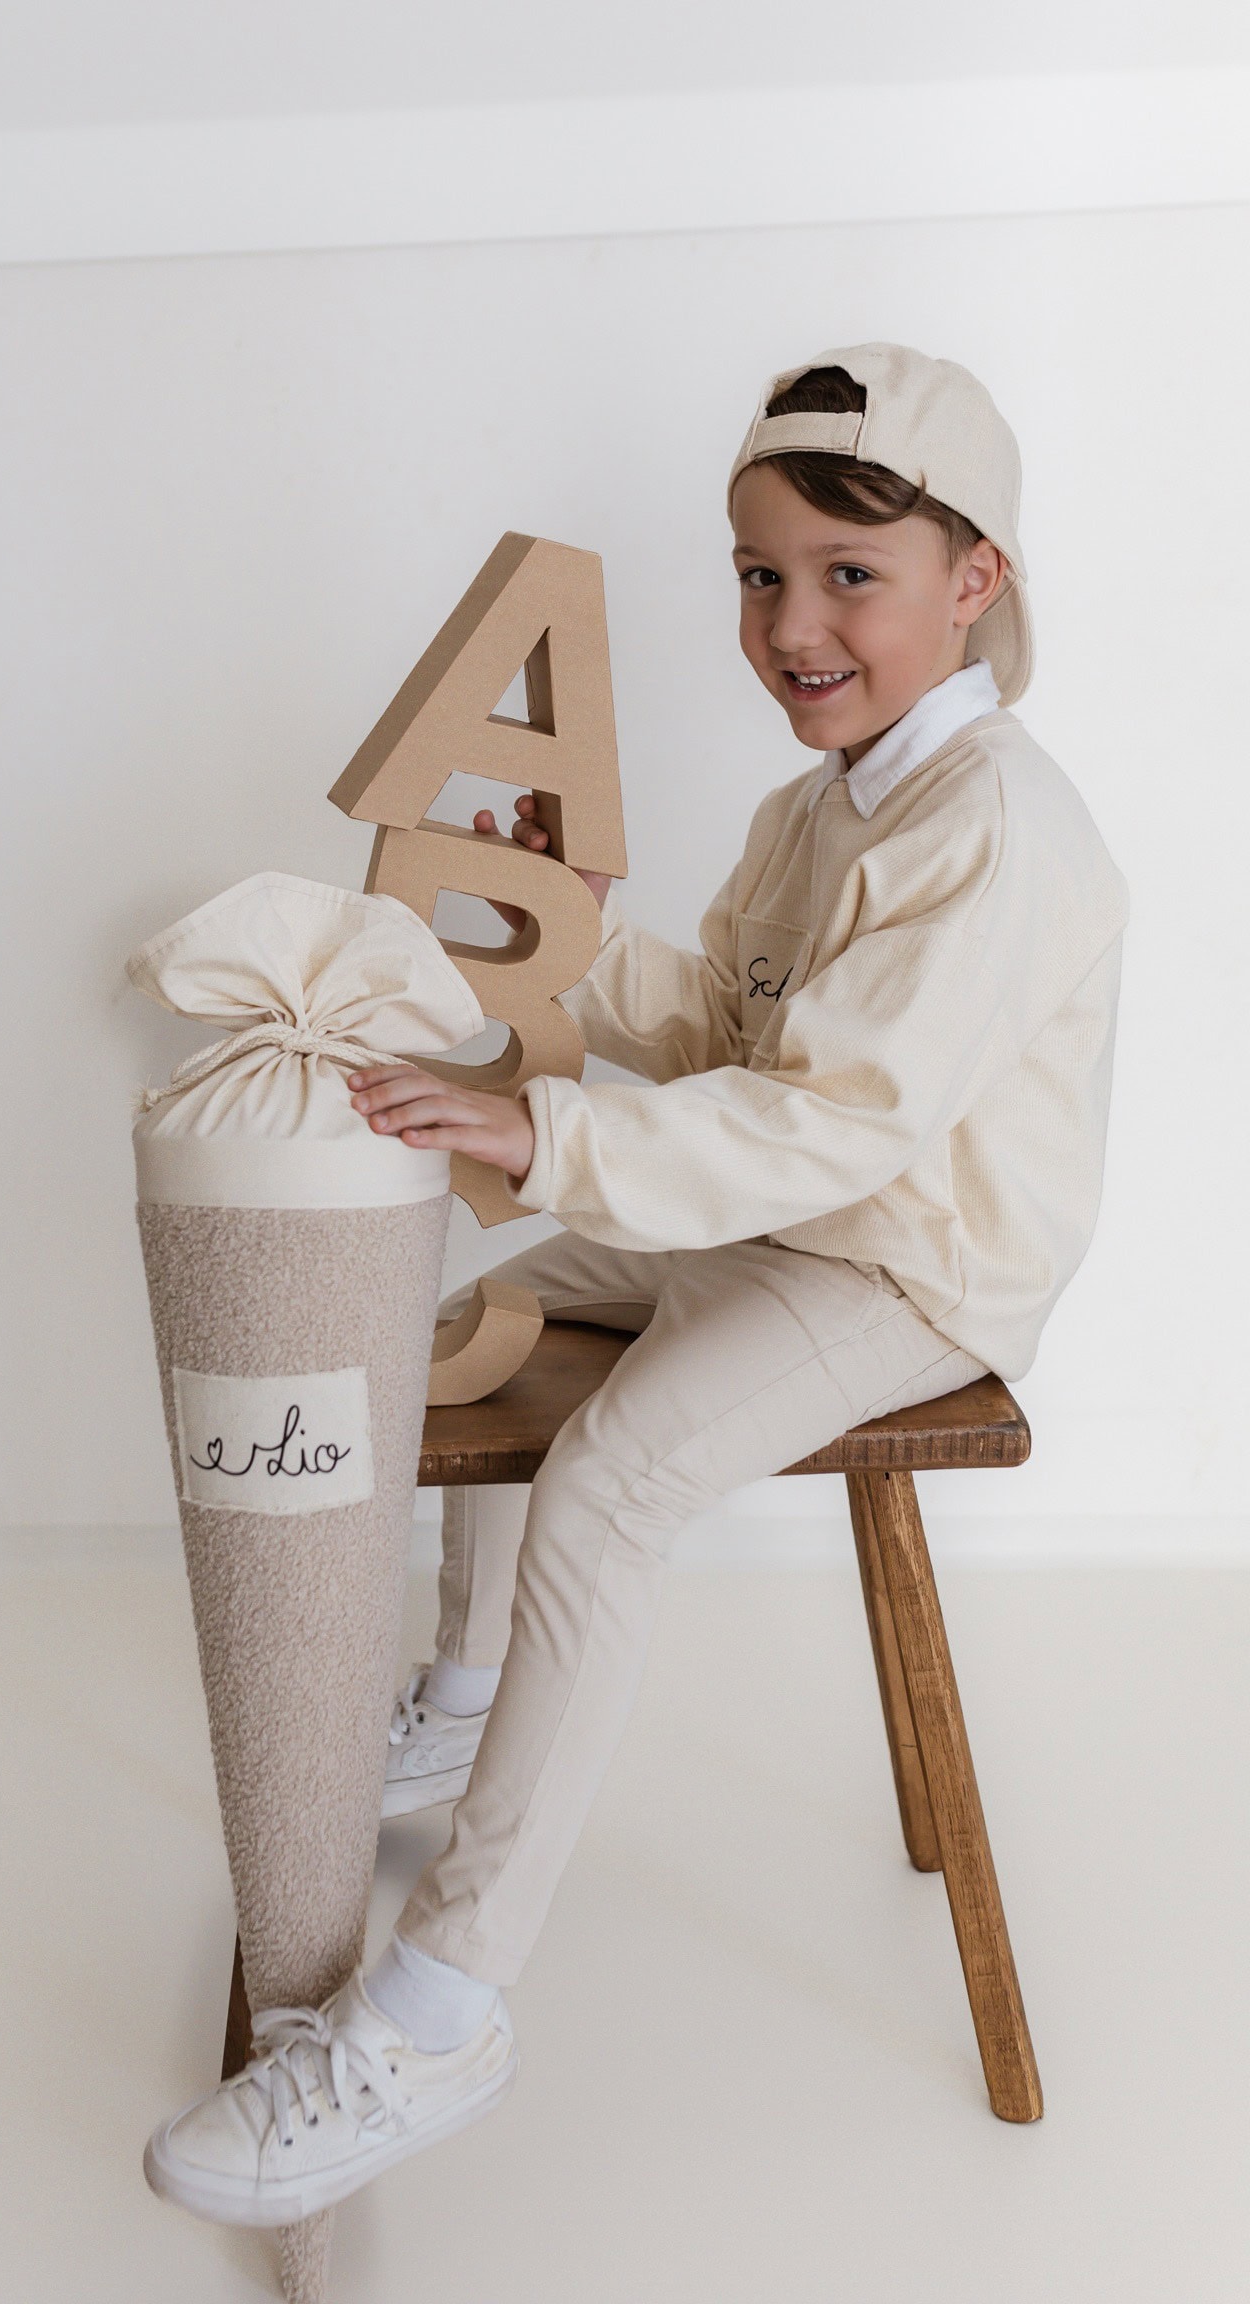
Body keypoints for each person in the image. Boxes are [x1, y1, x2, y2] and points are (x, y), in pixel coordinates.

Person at [143, 343, 1128, 2228]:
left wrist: (543, 1131)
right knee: (485, 1324)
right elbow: (732, 1035)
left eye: (851, 575)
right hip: (780, 1219)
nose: (793, 625)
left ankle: (444, 2008)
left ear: (975, 579)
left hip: (910, 1269)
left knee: (609, 1483)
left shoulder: (995, 828)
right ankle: (466, 1693)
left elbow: (835, 1124)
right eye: (761, 575)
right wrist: (571, 946)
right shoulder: (818, 809)